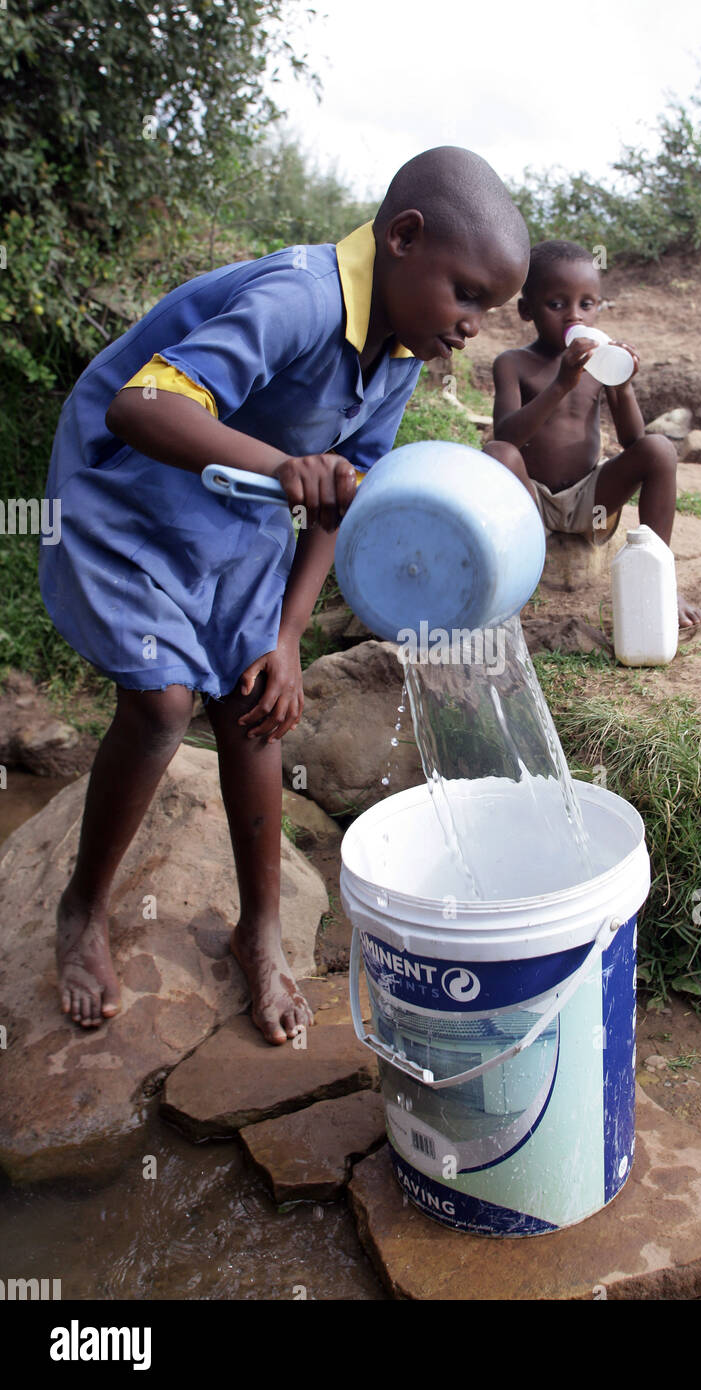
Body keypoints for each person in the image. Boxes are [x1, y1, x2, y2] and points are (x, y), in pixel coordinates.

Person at [39, 146, 530, 1044]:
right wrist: (284, 465)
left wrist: (291, 632)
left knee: (255, 702)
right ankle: (81, 909)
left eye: (488, 310)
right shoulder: (298, 298)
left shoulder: (399, 353)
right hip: (123, 494)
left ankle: (257, 930)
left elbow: (343, 497)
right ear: (403, 238)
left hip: (231, 514)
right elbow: (140, 408)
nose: (470, 327)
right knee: (160, 704)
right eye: (465, 295)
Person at [491, 239, 701, 630]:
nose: (574, 315)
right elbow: (507, 436)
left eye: (586, 304)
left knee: (658, 449)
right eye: (556, 304)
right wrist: (560, 384)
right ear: (526, 310)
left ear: (599, 308)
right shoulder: (513, 364)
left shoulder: (601, 363)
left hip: (592, 501)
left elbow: (633, 440)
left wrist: (621, 384)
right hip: (530, 501)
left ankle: (662, 581)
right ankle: (505, 590)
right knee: (498, 454)